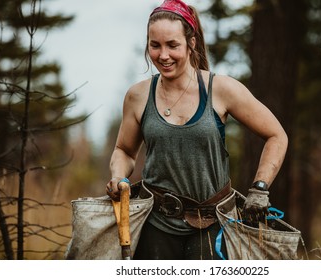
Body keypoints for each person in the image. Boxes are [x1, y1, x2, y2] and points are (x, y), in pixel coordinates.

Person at [106, 0, 288, 260]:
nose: (163, 55)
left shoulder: (222, 90)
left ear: (191, 43)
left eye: (172, 45)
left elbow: (276, 135)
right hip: (155, 226)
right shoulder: (138, 96)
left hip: (212, 226)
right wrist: (118, 176)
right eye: (155, 45)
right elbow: (124, 150)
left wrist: (260, 188)